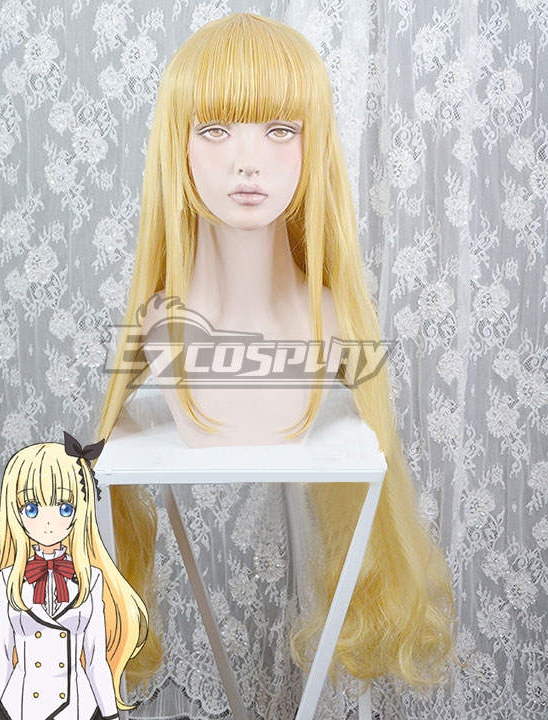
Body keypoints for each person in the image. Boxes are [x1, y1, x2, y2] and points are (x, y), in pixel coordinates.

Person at [99, 12, 454, 690]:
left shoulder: (333, 320)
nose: (248, 160)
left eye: (281, 130)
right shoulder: (160, 328)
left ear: (312, 147)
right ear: (177, 148)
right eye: (215, 129)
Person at [0, 434, 155, 720]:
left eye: (64, 508)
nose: (48, 522)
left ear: (80, 510)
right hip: (21, 706)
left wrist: (111, 715)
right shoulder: (8, 579)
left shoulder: (92, 579)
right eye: (31, 508)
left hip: (78, 707)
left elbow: (96, 659)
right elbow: (2, 657)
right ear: (15, 512)